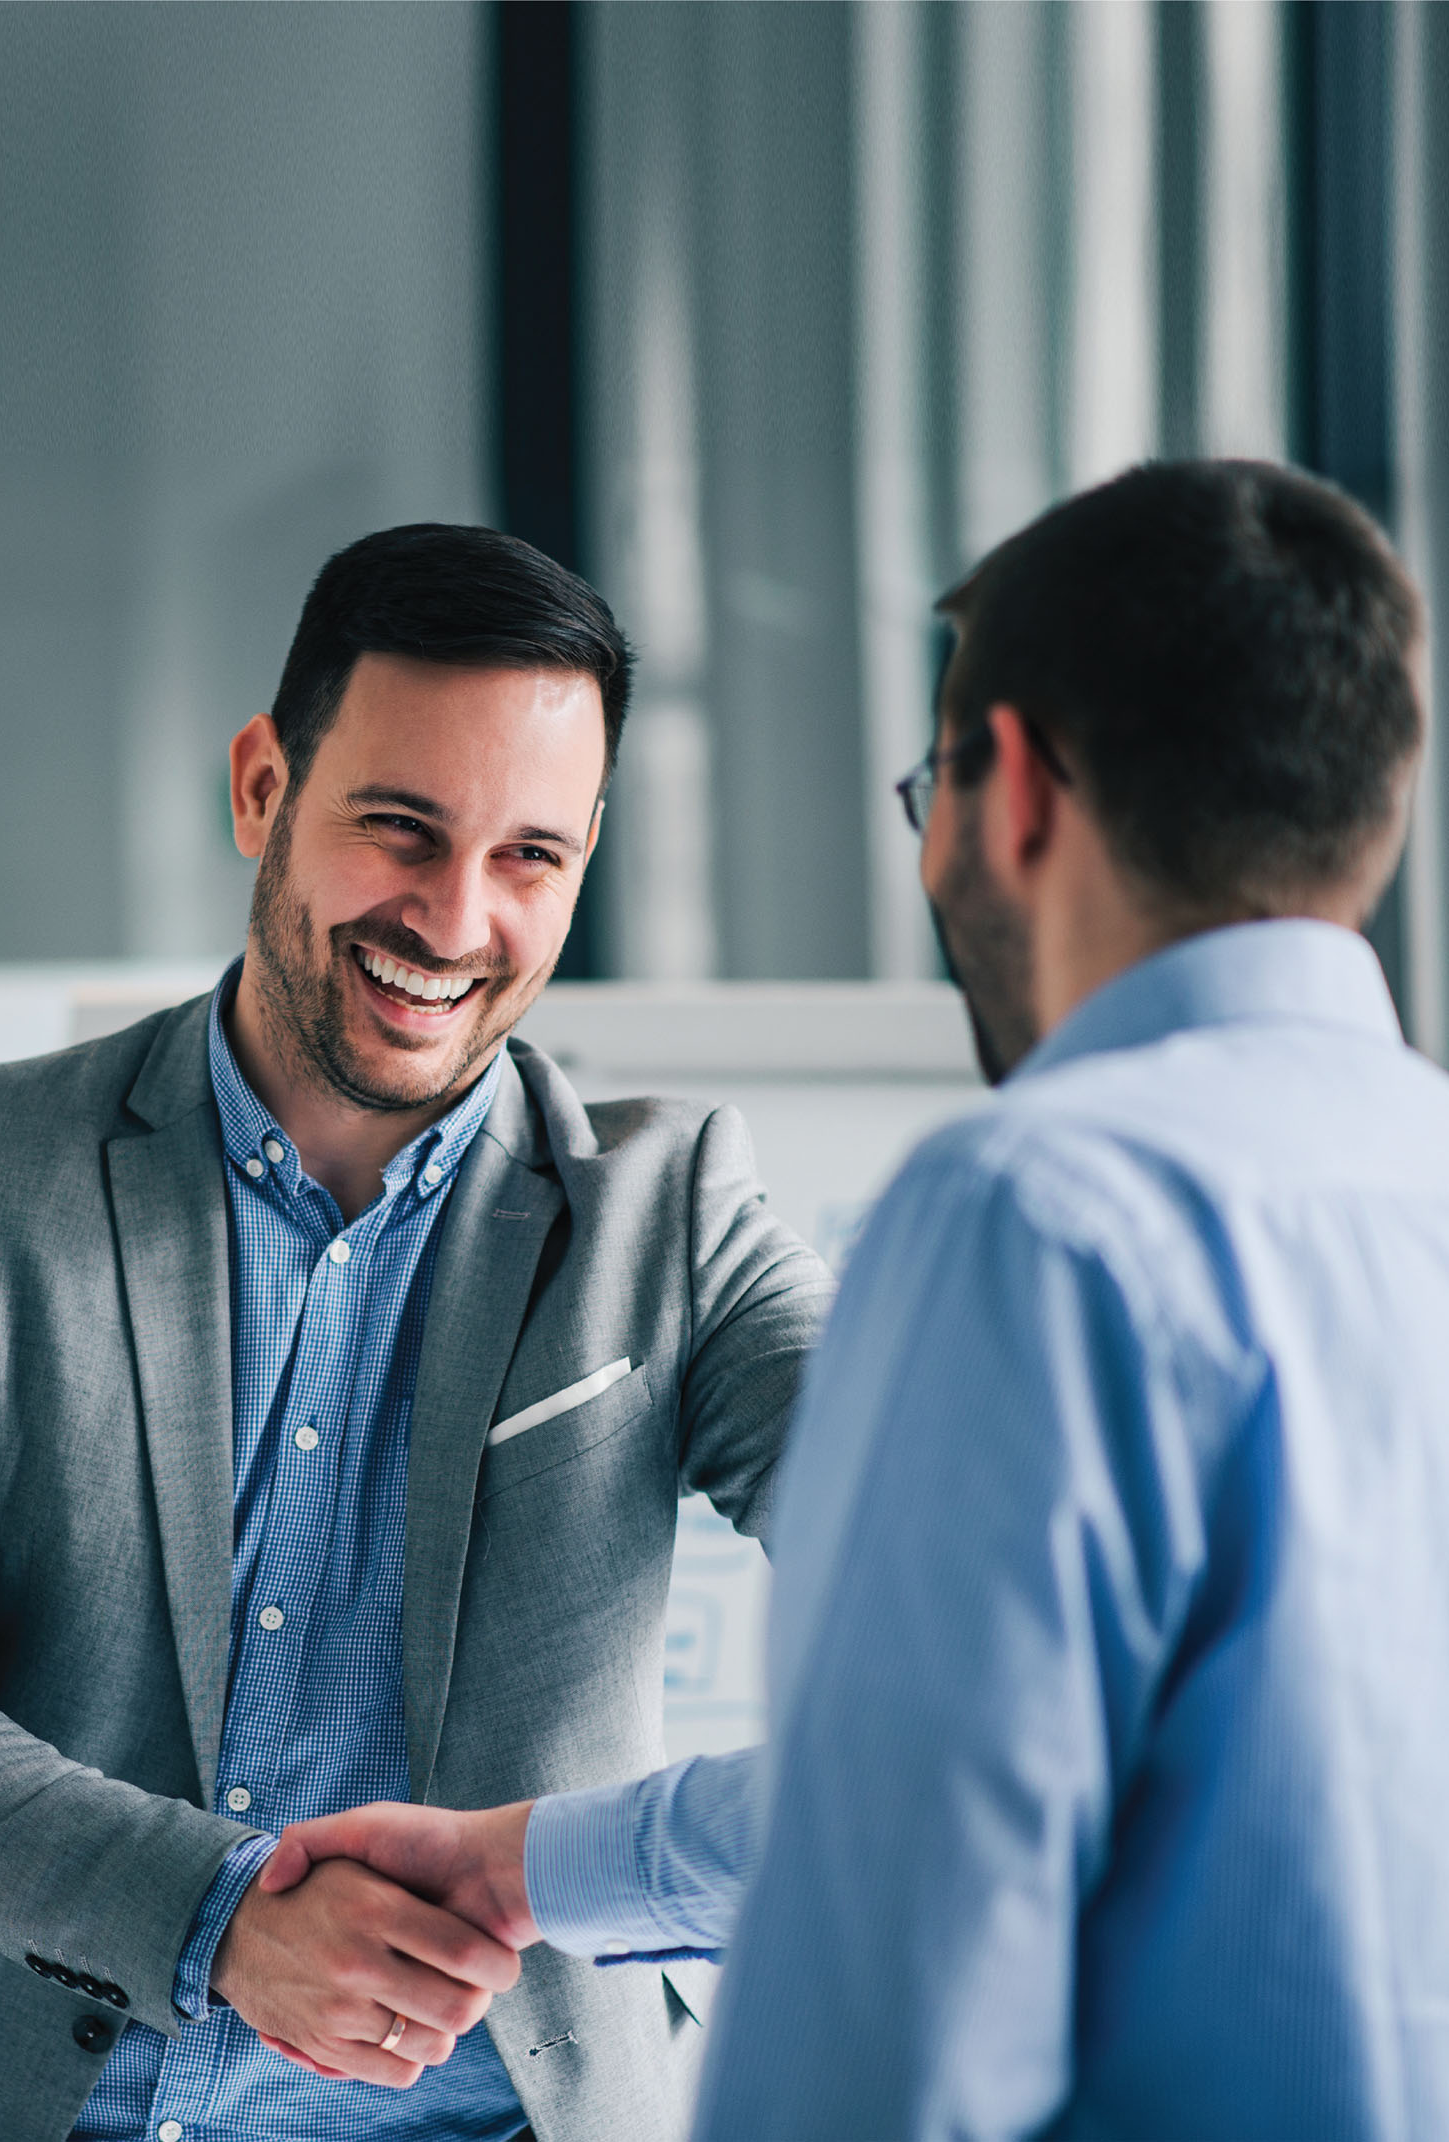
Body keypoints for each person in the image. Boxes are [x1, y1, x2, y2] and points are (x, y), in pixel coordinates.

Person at [264, 460, 1449, 2139]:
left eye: (930, 788)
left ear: (1015, 788)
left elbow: (893, 1969)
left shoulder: (1038, 1216)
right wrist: (527, 1864)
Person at [0, 524, 834, 2141]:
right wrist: (219, 1915)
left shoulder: (672, 1220)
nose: (456, 920)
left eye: (532, 857)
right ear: (263, 788)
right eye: (401, 828)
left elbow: (957, 1593)